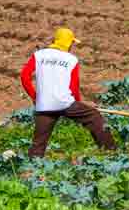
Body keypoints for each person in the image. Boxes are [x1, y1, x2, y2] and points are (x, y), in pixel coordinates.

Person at [20, 26, 118, 158]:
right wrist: (79, 104)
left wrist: (35, 97)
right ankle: (110, 152)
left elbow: (24, 76)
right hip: (65, 104)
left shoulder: (38, 55)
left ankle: (32, 167)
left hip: (43, 105)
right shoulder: (71, 60)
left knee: (39, 142)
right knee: (94, 117)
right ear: (68, 43)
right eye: (72, 43)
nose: (72, 46)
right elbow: (73, 87)